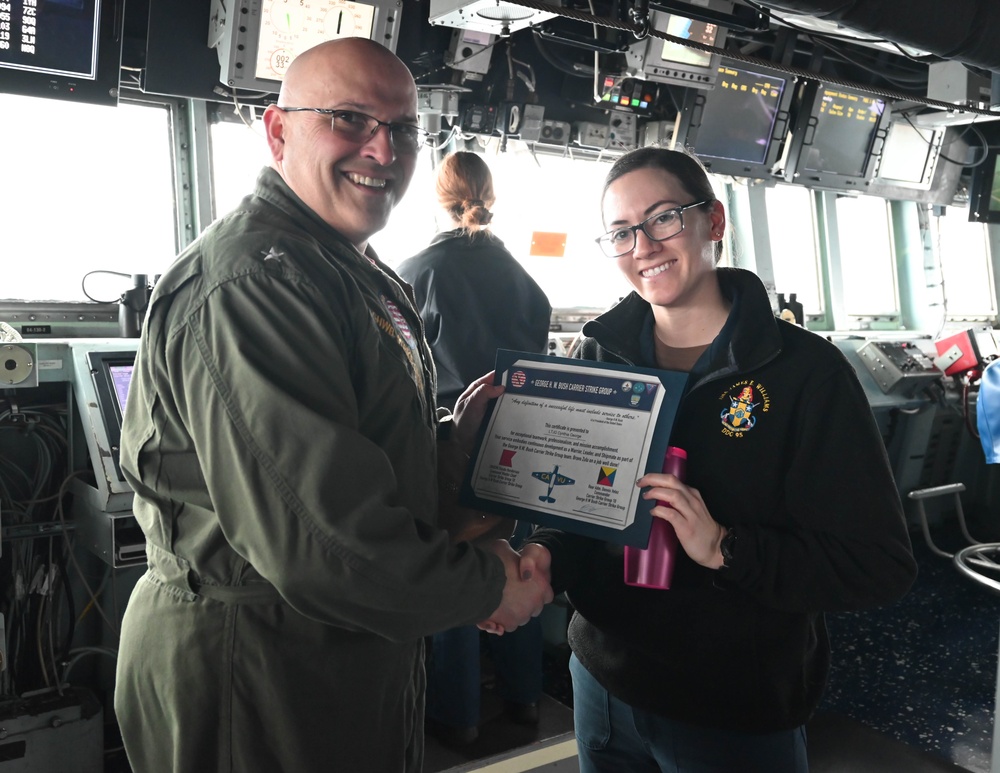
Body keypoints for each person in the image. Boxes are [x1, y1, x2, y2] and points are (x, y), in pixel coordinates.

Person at [114, 39, 551, 773]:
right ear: (278, 130)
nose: (384, 150)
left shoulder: (352, 270)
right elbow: (320, 541)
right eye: (350, 119)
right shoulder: (258, 281)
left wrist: (456, 438)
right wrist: (489, 584)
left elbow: (369, 457)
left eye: (405, 128)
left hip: (339, 651)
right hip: (254, 663)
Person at [514, 146, 918, 772]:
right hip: (603, 679)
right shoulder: (597, 356)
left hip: (732, 707)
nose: (643, 244)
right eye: (622, 232)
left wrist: (725, 547)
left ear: (714, 221)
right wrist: (544, 552)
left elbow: (877, 565)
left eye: (664, 217)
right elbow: (574, 509)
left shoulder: (804, 373)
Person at [397, 151, 552, 744]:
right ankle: (525, 702)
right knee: (514, 561)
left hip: (451, 438)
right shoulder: (524, 277)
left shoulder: (414, 271)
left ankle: (456, 717)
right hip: (521, 438)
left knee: (454, 564)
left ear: (438, 198)